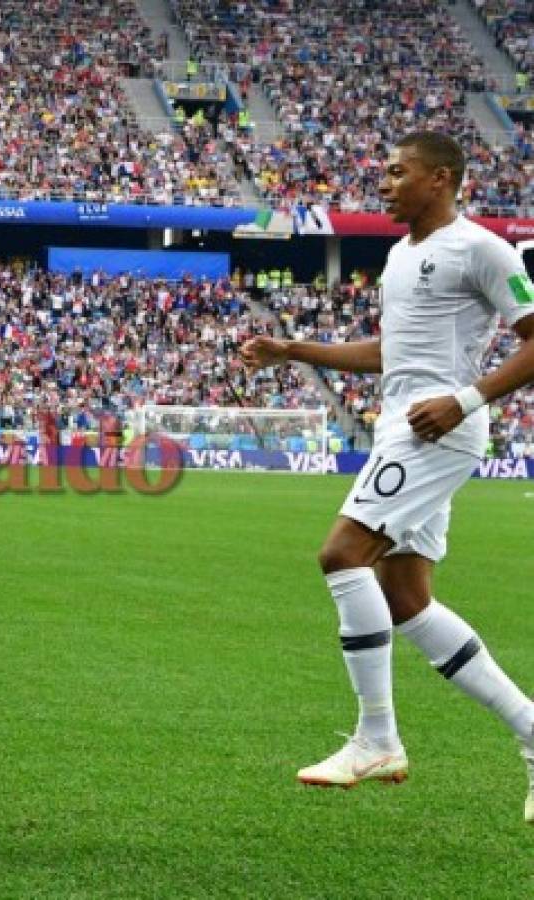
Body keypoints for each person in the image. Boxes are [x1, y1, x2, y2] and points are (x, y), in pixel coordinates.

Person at [241, 131, 534, 819]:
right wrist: (293, 349)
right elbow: (390, 352)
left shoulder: (481, 248)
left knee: (341, 554)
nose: (384, 183)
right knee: (406, 599)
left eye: (396, 173)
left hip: (435, 427)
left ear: (439, 178)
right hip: (402, 421)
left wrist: (462, 399)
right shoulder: (401, 257)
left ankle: (377, 738)